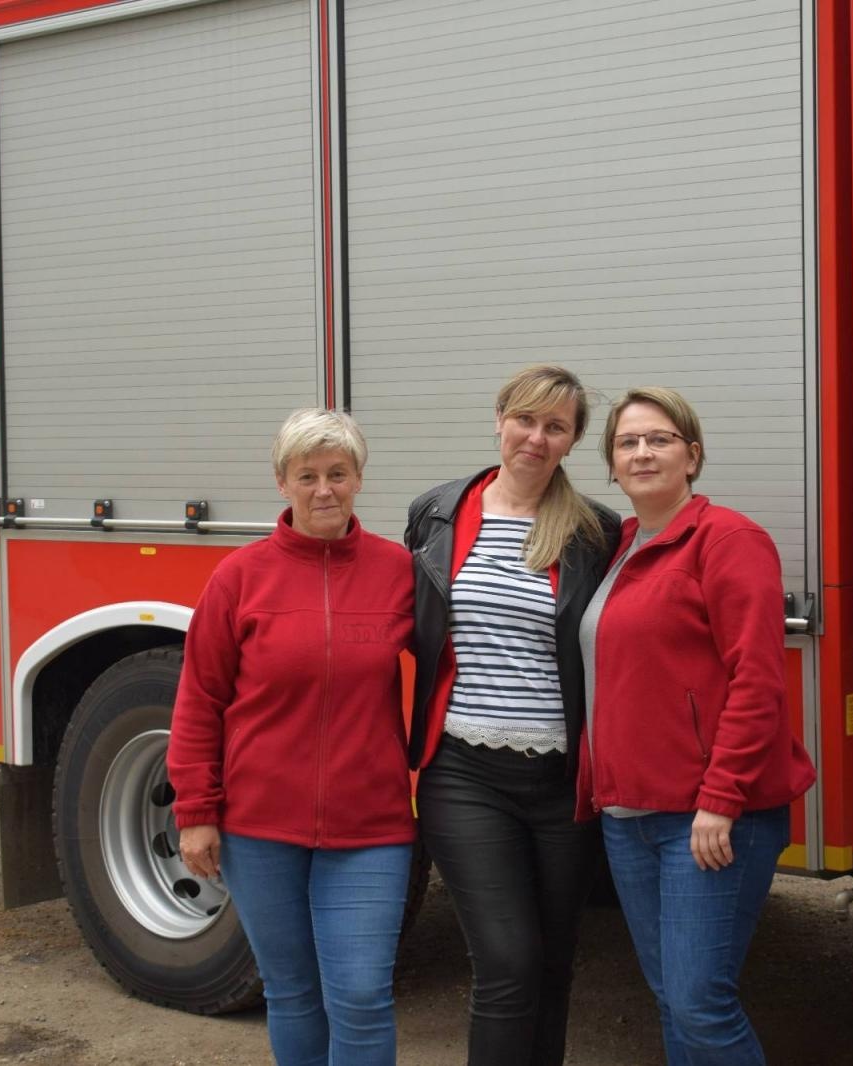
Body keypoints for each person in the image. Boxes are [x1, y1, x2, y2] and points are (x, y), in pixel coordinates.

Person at [167, 408, 415, 1066]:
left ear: (359, 478)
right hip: (259, 827)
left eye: (338, 473)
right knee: (292, 991)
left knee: (361, 995)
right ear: (283, 482)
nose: (324, 490)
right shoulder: (239, 578)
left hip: (371, 827)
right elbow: (200, 700)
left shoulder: (397, 571)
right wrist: (196, 810)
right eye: (307, 476)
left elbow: (451, 669)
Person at [578, 386, 816, 1066]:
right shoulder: (623, 545)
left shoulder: (729, 540)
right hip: (629, 817)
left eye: (659, 439)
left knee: (699, 1003)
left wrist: (721, 798)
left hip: (709, 818)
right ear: (612, 464)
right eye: (627, 443)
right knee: (671, 1000)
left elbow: (758, 680)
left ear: (692, 455)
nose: (642, 452)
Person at [406, 365, 621, 1066]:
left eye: (555, 426)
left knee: (554, 964)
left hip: (562, 783)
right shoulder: (437, 513)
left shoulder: (595, 530)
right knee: (507, 962)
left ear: (572, 442)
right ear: (499, 419)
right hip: (465, 775)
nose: (535, 437)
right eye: (525, 419)